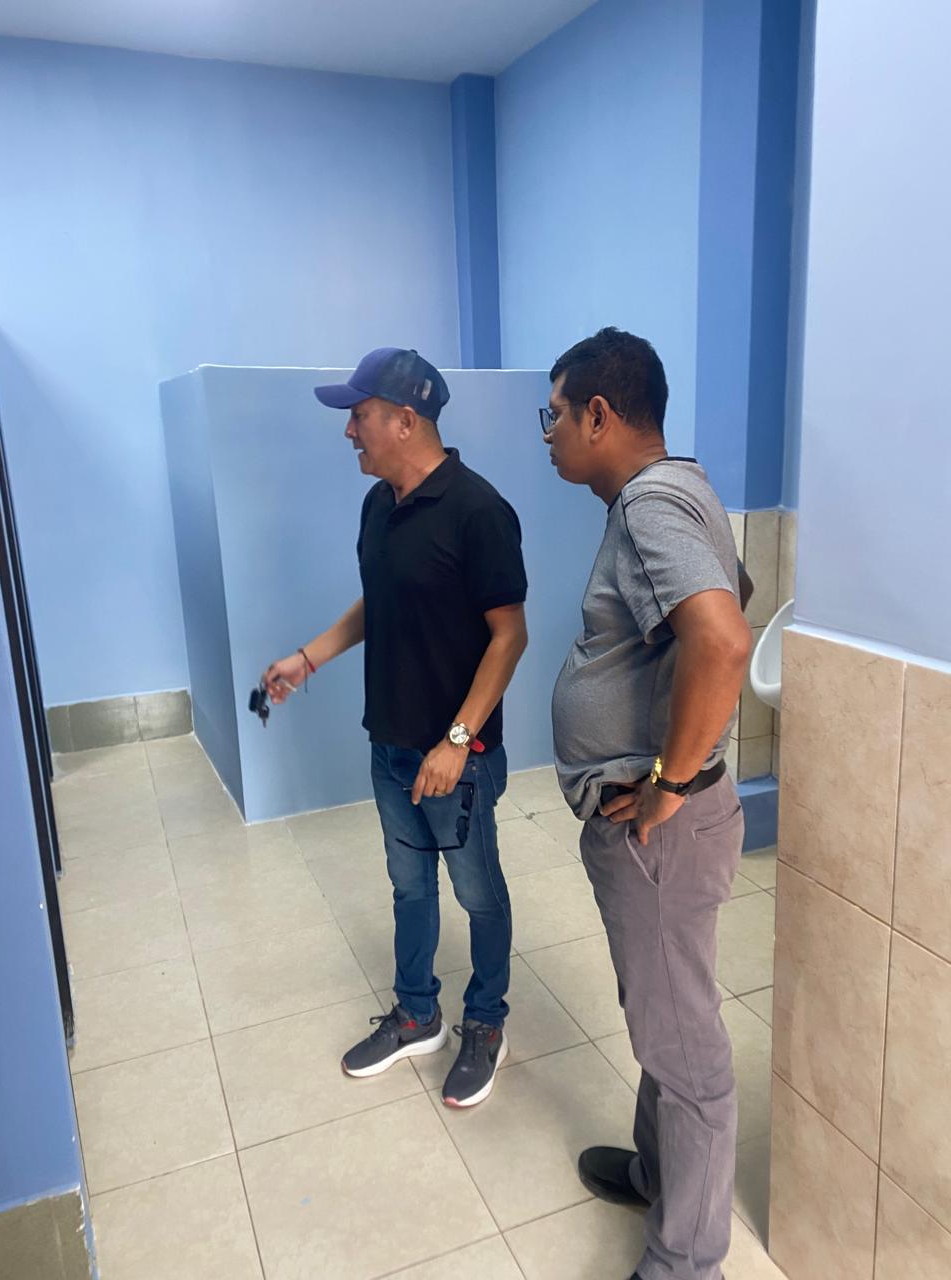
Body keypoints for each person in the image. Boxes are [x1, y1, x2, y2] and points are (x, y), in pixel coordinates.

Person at [264, 347, 528, 1108]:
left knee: (478, 894)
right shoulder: (378, 505)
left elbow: (509, 636)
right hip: (390, 742)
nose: (349, 430)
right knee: (409, 887)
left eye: (359, 415)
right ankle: (417, 1014)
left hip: (459, 756)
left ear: (405, 420)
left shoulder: (479, 511)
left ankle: (486, 1022)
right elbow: (380, 602)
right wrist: (309, 658)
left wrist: (456, 742)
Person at [543, 328, 753, 1280]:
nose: (548, 433)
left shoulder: (648, 503)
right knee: (660, 1013)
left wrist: (670, 782)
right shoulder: (685, 487)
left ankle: (686, 1262)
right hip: (671, 823)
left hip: (665, 828)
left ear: (598, 414)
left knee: (686, 1053)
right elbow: (719, 608)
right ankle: (655, 1171)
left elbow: (723, 639)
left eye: (553, 414)